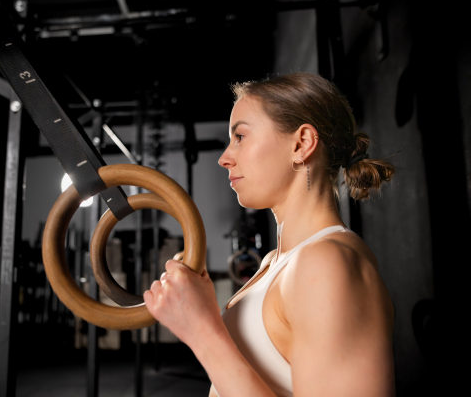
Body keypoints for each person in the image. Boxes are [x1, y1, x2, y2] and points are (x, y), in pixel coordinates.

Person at [143, 73, 397, 397]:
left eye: (241, 137)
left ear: (301, 144)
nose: (224, 158)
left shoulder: (325, 263)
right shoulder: (276, 262)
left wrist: (202, 331)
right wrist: (201, 304)